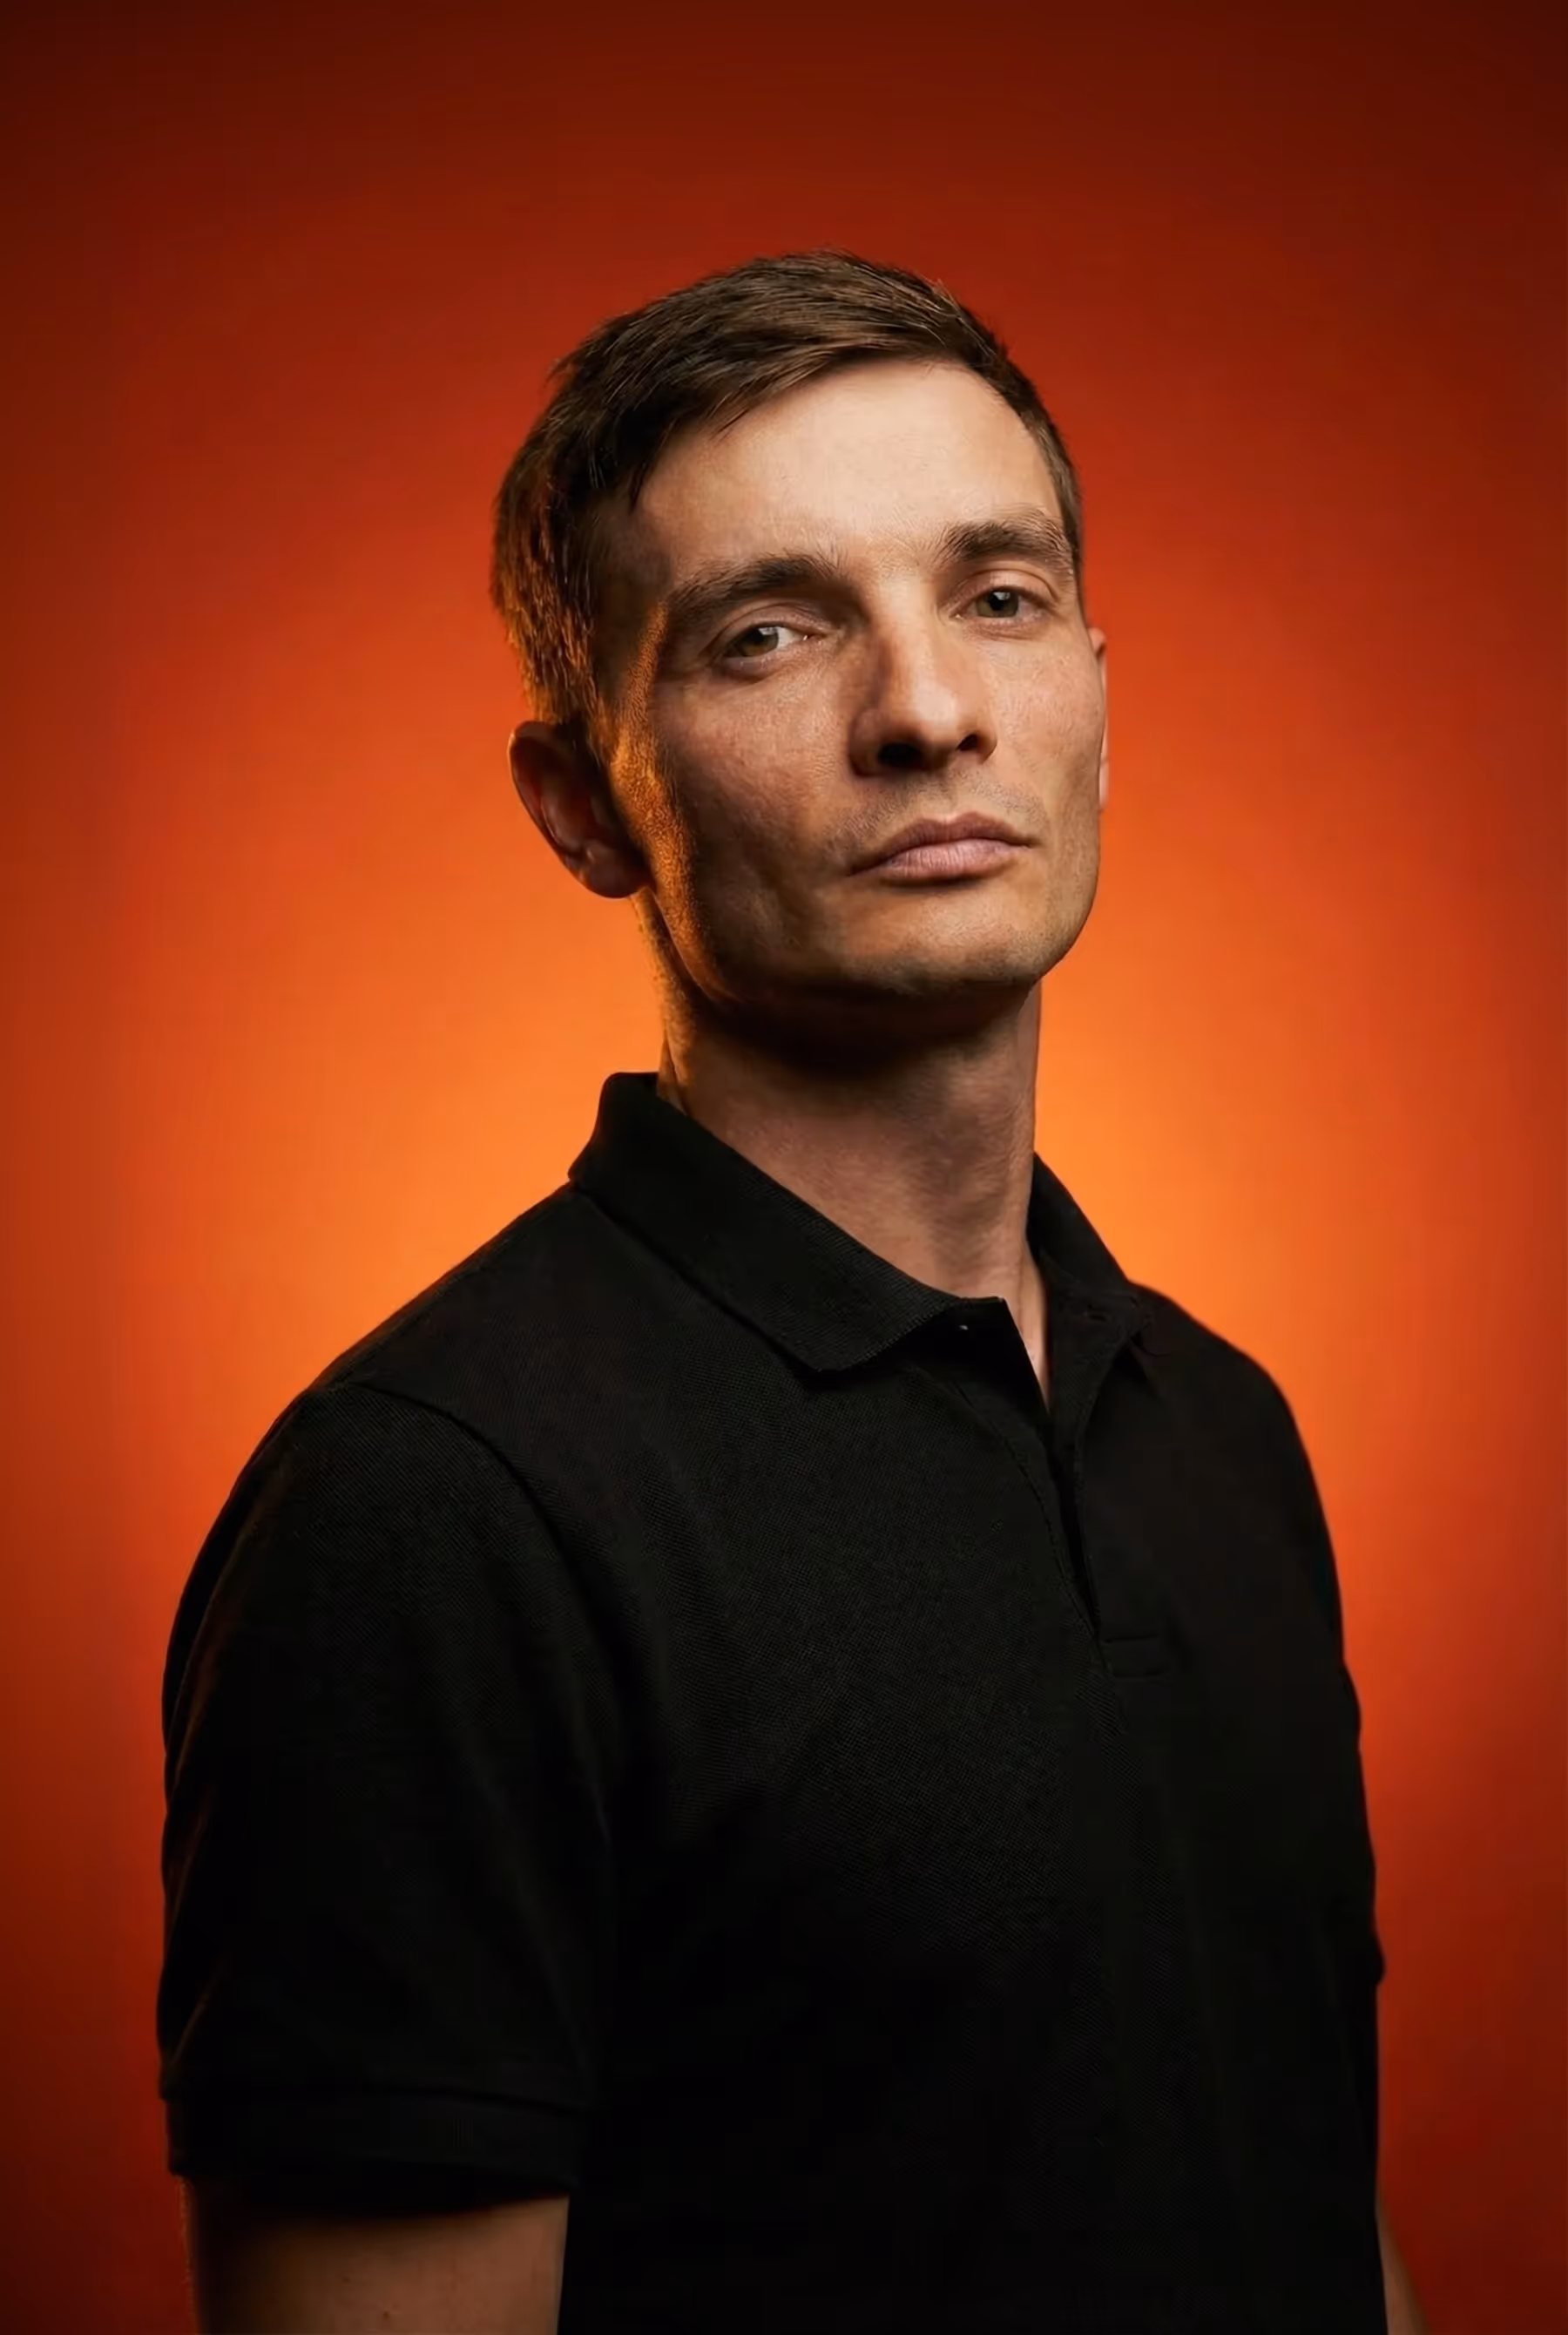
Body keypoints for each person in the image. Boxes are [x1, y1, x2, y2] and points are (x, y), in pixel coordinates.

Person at [159, 247, 1429, 2333]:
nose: (929, 708)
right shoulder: (432, 1516)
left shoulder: (1225, 1428)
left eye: (998, 597)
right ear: (585, 801)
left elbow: (1299, 2197)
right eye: (770, 631)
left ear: (1097, 694)